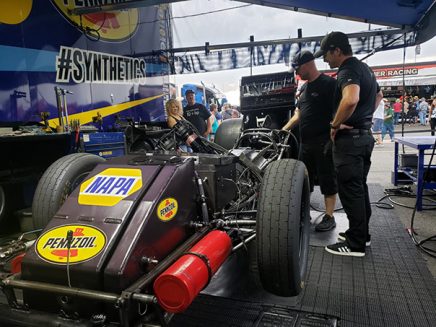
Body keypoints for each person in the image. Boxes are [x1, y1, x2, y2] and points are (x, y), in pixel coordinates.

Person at [314, 31, 383, 257]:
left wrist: (335, 124)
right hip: (363, 137)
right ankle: (362, 234)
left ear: (337, 50)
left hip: (350, 142)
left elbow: (351, 98)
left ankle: (355, 245)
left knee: (351, 191)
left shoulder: (348, 70)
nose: (325, 59)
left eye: (326, 54)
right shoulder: (365, 69)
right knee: (359, 189)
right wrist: (363, 118)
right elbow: (378, 97)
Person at [282, 50, 338, 232]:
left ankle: (329, 216)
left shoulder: (329, 84)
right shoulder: (305, 88)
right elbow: (299, 114)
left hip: (324, 142)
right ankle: (303, 212)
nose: (296, 73)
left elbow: (341, 109)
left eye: (297, 68)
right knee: (304, 179)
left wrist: (335, 129)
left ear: (307, 64)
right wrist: (283, 130)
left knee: (327, 179)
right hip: (305, 144)